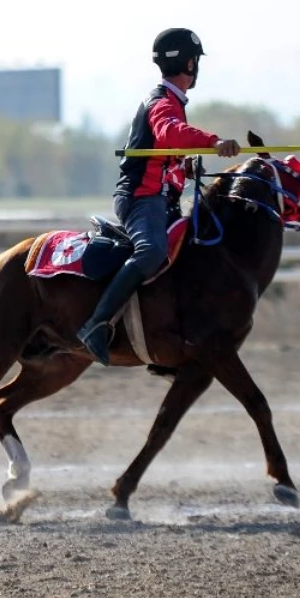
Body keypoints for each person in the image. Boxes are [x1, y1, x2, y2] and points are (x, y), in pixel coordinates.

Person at [76, 28, 240, 365]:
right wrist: (212, 142)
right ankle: (96, 324)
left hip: (159, 199)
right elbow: (169, 134)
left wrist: (187, 167)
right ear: (190, 63)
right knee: (152, 251)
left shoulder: (173, 103)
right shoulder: (163, 103)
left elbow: (165, 155)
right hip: (141, 199)